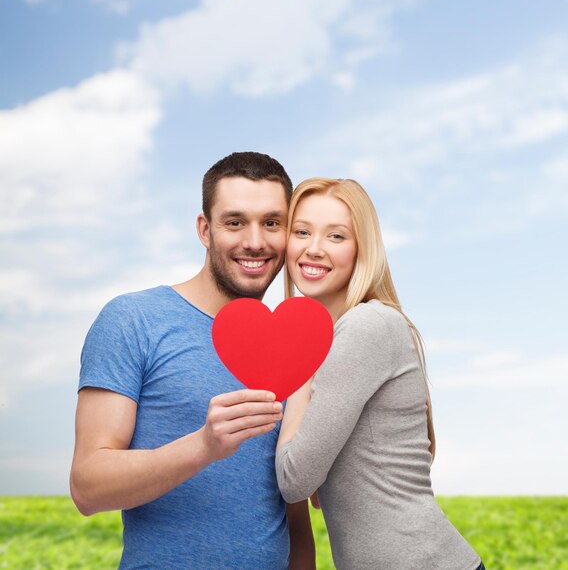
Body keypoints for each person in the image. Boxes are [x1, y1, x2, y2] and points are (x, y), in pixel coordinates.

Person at [70, 152, 316, 569]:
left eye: (272, 223)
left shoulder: (295, 347)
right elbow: (87, 487)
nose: (255, 241)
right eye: (234, 222)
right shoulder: (133, 320)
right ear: (205, 229)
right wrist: (203, 447)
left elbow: (292, 511)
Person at [275, 178, 484, 570]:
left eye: (336, 235)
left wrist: (298, 367)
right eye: (301, 232)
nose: (313, 248)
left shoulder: (365, 327)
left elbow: (295, 481)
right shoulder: (344, 334)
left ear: (361, 249)